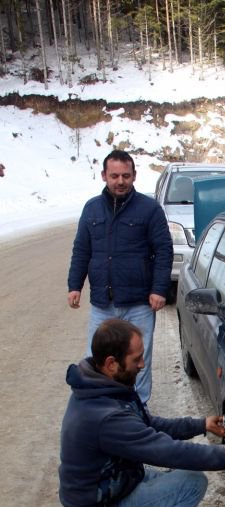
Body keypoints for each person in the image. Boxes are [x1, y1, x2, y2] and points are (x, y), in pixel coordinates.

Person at [59, 318, 225, 507]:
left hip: (104, 494)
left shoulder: (102, 386)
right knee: (191, 483)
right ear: (111, 363)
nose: (142, 364)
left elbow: (149, 425)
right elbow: (168, 452)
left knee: (161, 478)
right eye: (136, 359)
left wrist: (201, 424)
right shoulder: (105, 416)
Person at [67, 149, 172, 405]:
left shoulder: (149, 209)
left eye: (126, 175)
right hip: (103, 305)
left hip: (139, 305)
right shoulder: (91, 209)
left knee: (138, 363)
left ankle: (139, 410)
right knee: (96, 359)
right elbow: (82, 249)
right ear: (104, 175)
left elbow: (164, 250)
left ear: (134, 176)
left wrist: (159, 289)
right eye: (114, 175)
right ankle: (97, 409)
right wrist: (75, 285)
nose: (120, 181)